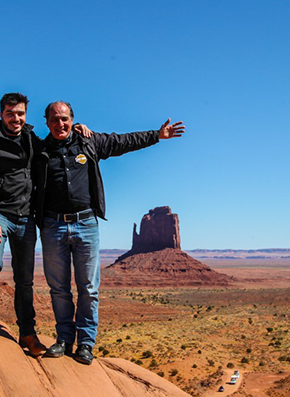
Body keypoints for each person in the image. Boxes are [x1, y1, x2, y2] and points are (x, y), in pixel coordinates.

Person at [33, 101, 184, 364]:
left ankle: (86, 344)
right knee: (58, 288)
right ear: (46, 122)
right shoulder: (40, 150)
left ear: (72, 120)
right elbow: (14, 164)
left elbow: (122, 141)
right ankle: (64, 340)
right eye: (55, 119)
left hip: (86, 224)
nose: (60, 124)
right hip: (52, 225)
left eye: (65, 119)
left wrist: (157, 136)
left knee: (89, 288)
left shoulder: (89, 142)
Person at [0, 93, 91, 355]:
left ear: (26, 115)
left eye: (20, 113)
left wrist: (79, 130)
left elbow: (60, 138)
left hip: (26, 217)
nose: (16, 118)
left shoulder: (32, 140)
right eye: (11, 113)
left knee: (25, 279)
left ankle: (27, 332)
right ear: (1, 114)